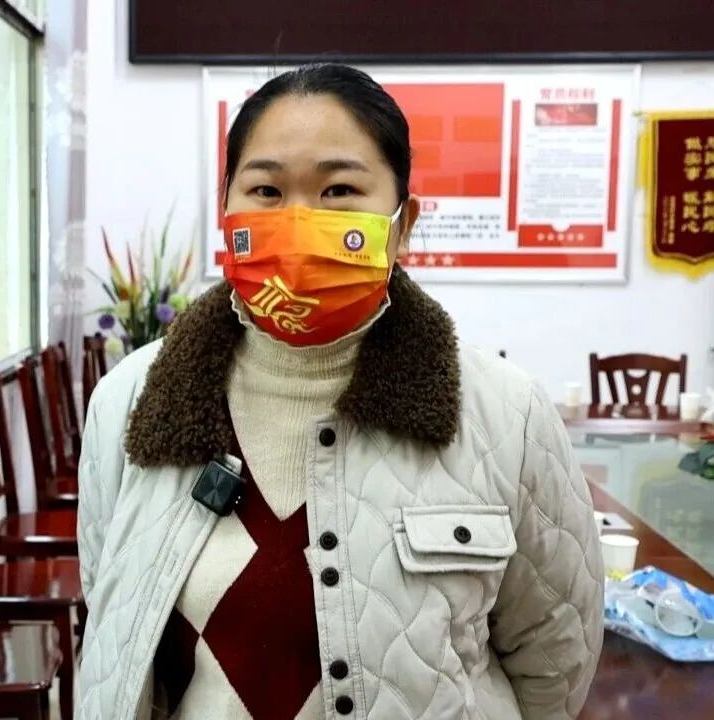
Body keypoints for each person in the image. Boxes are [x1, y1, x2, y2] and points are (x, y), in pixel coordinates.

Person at [76, 64, 604, 720]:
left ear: (403, 224)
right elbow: (113, 623)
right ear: (228, 213)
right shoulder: (127, 401)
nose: (298, 220)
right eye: (266, 190)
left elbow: (554, 657)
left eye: (339, 189)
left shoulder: (506, 415)